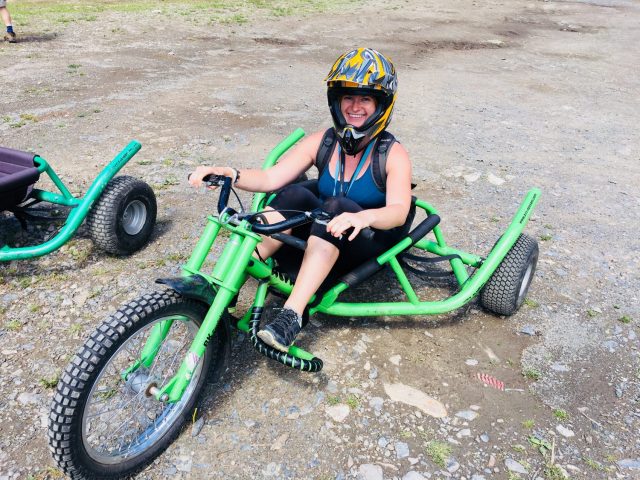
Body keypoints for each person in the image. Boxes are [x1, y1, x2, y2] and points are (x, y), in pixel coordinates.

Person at [189, 48, 412, 353]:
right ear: (337, 101)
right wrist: (229, 173)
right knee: (293, 193)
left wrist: (363, 218)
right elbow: (271, 178)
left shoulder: (391, 152)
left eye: (365, 98)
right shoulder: (324, 140)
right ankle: (228, 284)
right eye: (348, 97)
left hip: (366, 237)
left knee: (335, 206)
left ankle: (292, 316)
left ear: (380, 105)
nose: (355, 106)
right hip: (325, 231)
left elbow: (399, 211)